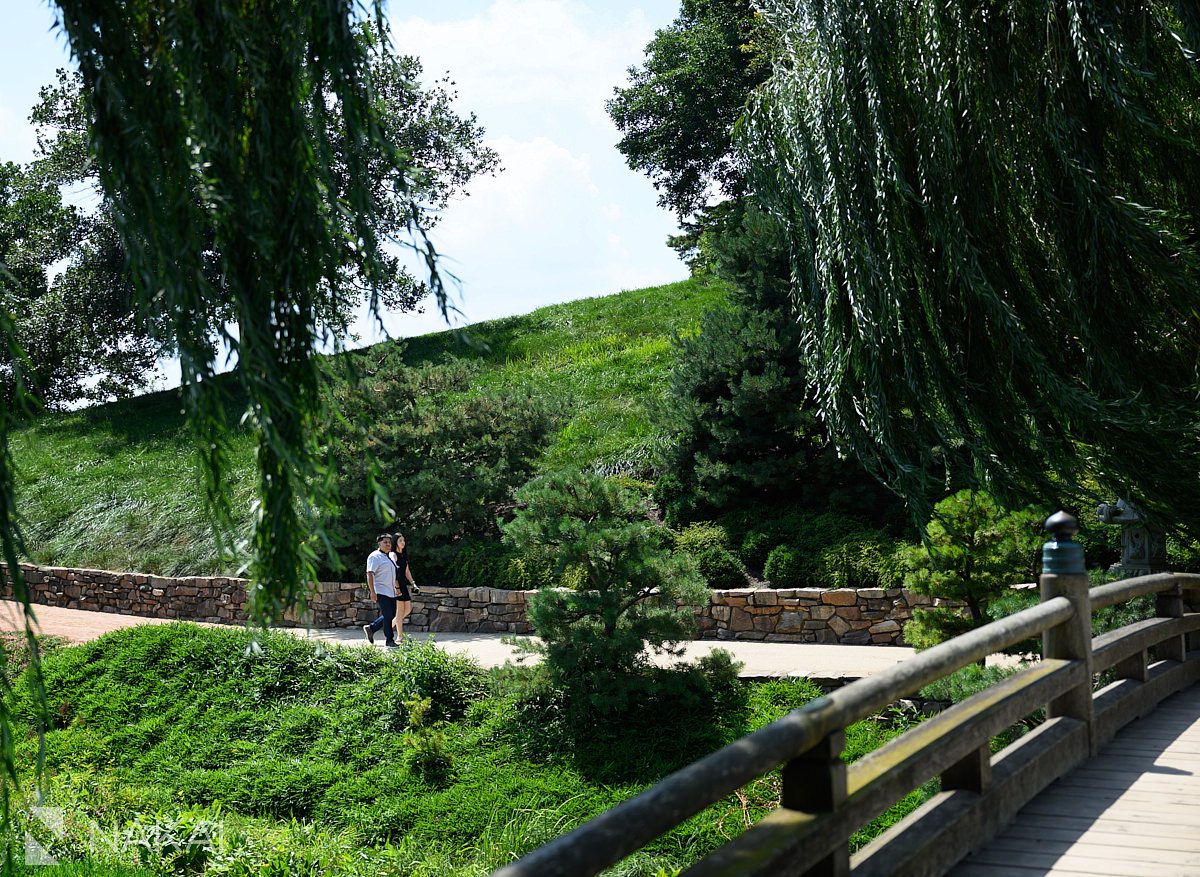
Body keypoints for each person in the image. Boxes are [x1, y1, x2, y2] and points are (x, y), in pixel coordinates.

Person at [363, 534, 399, 648]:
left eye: (389, 542)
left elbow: (393, 574)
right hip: (381, 590)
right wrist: (372, 592)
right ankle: (389, 640)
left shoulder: (390, 556)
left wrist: (396, 588)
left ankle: (372, 628)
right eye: (385, 542)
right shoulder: (375, 556)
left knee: (391, 615)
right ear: (379, 543)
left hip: (391, 591)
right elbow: (370, 573)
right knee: (388, 615)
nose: (388, 544)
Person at [389, 532, 421, 642]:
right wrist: (396, 587)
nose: (403, 543)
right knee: (399, 612)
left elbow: (407, 571)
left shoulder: (403, 555)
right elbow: (392, 570)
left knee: (408, 609)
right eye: (400, 541)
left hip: (403, 584)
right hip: (396, 584)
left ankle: (385, 627)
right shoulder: (393, 554)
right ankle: (399, 636)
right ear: (395, 542)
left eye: (403, 540)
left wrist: (413, 583)